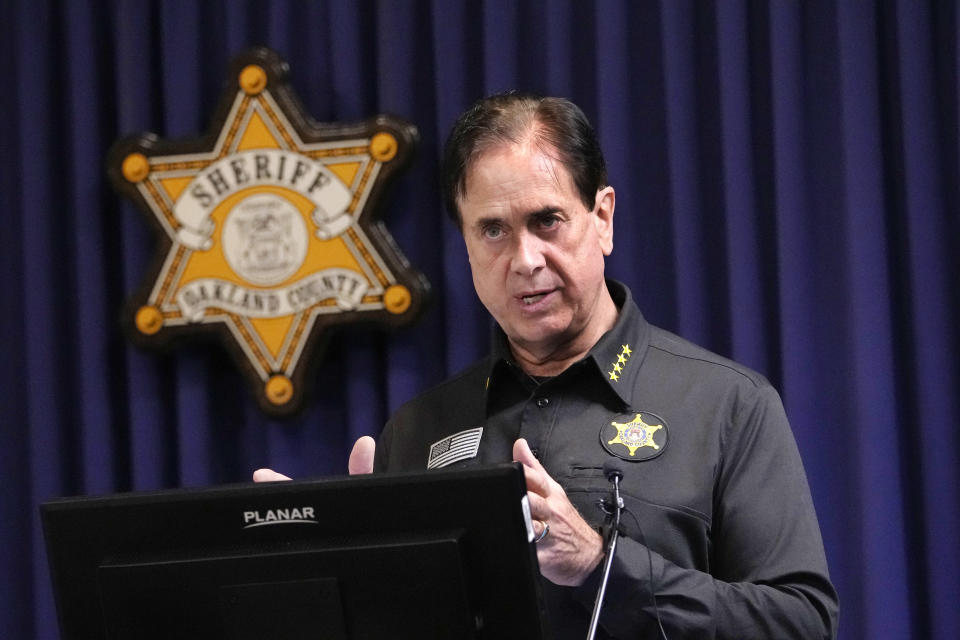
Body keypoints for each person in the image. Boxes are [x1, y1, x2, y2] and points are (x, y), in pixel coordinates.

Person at [256, 92, 839, 639]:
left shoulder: (727, 405)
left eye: (546, 221)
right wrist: (335, 577)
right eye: (493, 230)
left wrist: (599, 563)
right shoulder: (418, 429)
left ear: (602, 218)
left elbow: (802, 622)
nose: (525, 259)